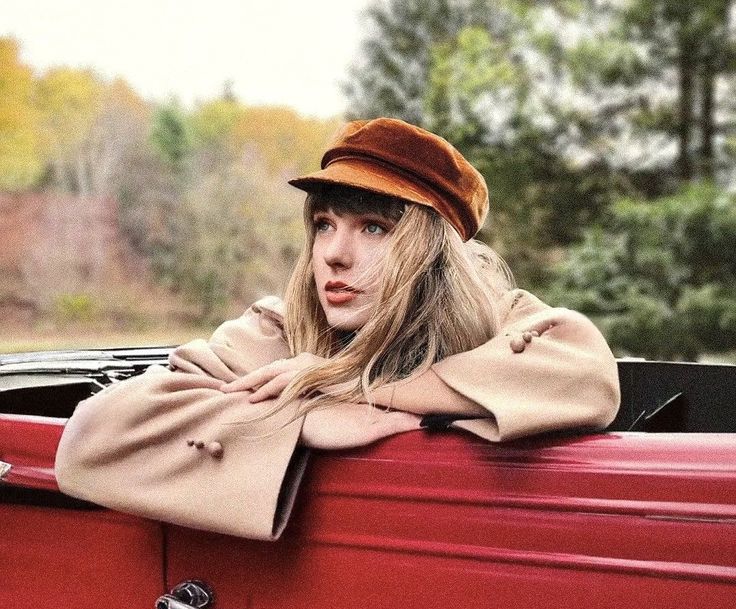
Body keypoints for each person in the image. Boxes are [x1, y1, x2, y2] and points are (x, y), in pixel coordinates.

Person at [54, 118, 621, 540]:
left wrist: (350, 385)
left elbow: (585, 375)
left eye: (373, 228)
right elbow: (97, 435)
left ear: (434, 256)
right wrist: (301, 420)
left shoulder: (500, 319)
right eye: (324, 225)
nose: (335, 255)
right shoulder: (281, 330)